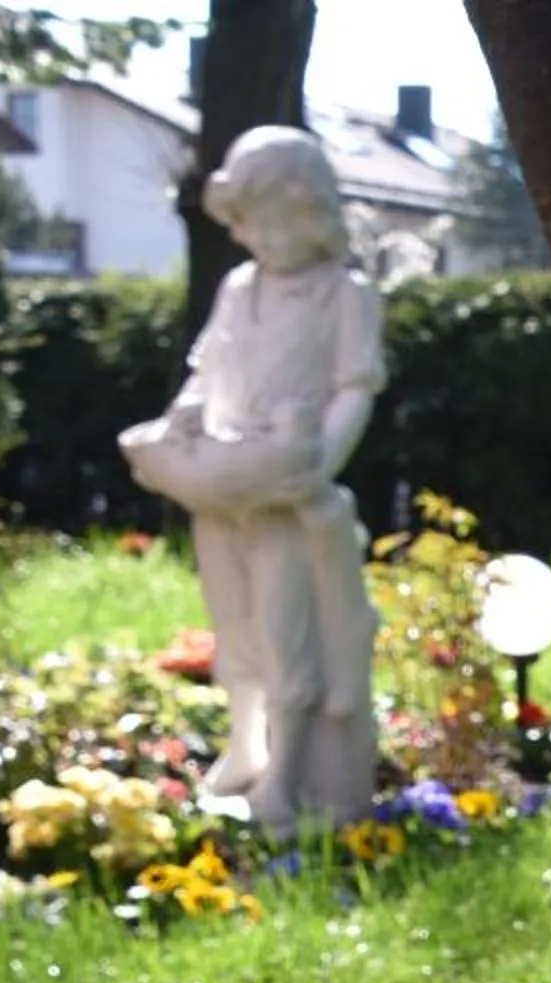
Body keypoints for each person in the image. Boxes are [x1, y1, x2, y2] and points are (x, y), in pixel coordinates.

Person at [121, 127, 384, 835]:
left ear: (313, 215)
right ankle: (246, 744)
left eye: (274, 222)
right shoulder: (240, 289)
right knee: (233, 624)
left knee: (284, 629)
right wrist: (184, 417)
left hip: (286, 498)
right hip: (222, 487)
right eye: (249, 224)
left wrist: (316, 466)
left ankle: (291, 773)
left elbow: (354, 390)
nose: (259, 239)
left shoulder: (343, 295)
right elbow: (207, 372)